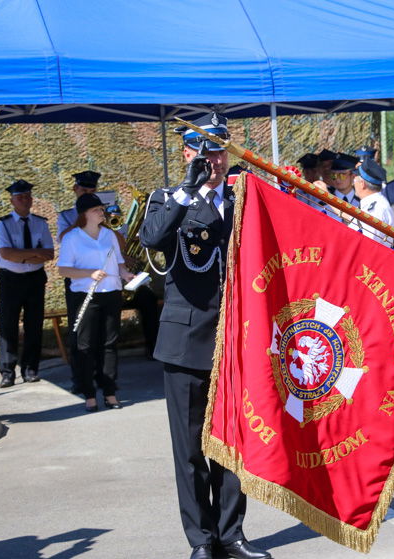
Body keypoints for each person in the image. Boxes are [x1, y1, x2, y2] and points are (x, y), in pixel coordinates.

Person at [139, 112, 272, 559]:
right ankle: (201, 539)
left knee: (233, 447)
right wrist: (189, 189)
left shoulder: (242, 199)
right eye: (203, 150)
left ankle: (232, 534)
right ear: (186, 152)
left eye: (218, 150)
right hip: (185, 341)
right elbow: (153, 236)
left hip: (235, 339)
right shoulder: (167, 198)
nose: (213, 159)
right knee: (191, 449)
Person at [57, 193, 134, 412]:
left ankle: (110, 391)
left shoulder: (109, 235)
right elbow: (63, 269)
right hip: (85, 295)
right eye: (97, 210)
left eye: (102, 209)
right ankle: (89, 393)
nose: (102, 213)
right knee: (85, 345)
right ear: (85, 214)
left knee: (109, 344)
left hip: (111, 292)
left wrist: (126, 274)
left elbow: (118, 263)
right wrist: (89, 273)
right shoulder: (72, 238)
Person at [0, 179, 54, 388]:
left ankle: (30, 369)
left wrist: (23, 256)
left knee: (34, 324)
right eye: (20, 197)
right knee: (7, 324)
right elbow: (6, 253)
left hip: (35, 279)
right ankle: (7, 372)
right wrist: (32, 254)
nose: (25, 200)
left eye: (28, 196)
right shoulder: (4, 224)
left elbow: (48, 253)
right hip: (11, 279)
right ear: (12, 201)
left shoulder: (40, 222)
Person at [57, 170, 101, 393]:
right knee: (78, 329)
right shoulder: (66, 216)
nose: (87, 195)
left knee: (100, 330)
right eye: (84, 191)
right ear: (75, 190)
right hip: (77, 278)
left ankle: (102, 377)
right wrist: (83, 217)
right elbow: (64, 238)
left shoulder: (102, 213)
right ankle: (79, 379)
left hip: (101, 278)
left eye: (92, 192)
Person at [347, 158, 394, 246]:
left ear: (362, 183)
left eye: (355, 180)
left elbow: (367, 244)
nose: (353, 184)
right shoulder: (371, 203)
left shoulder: (377, 208)